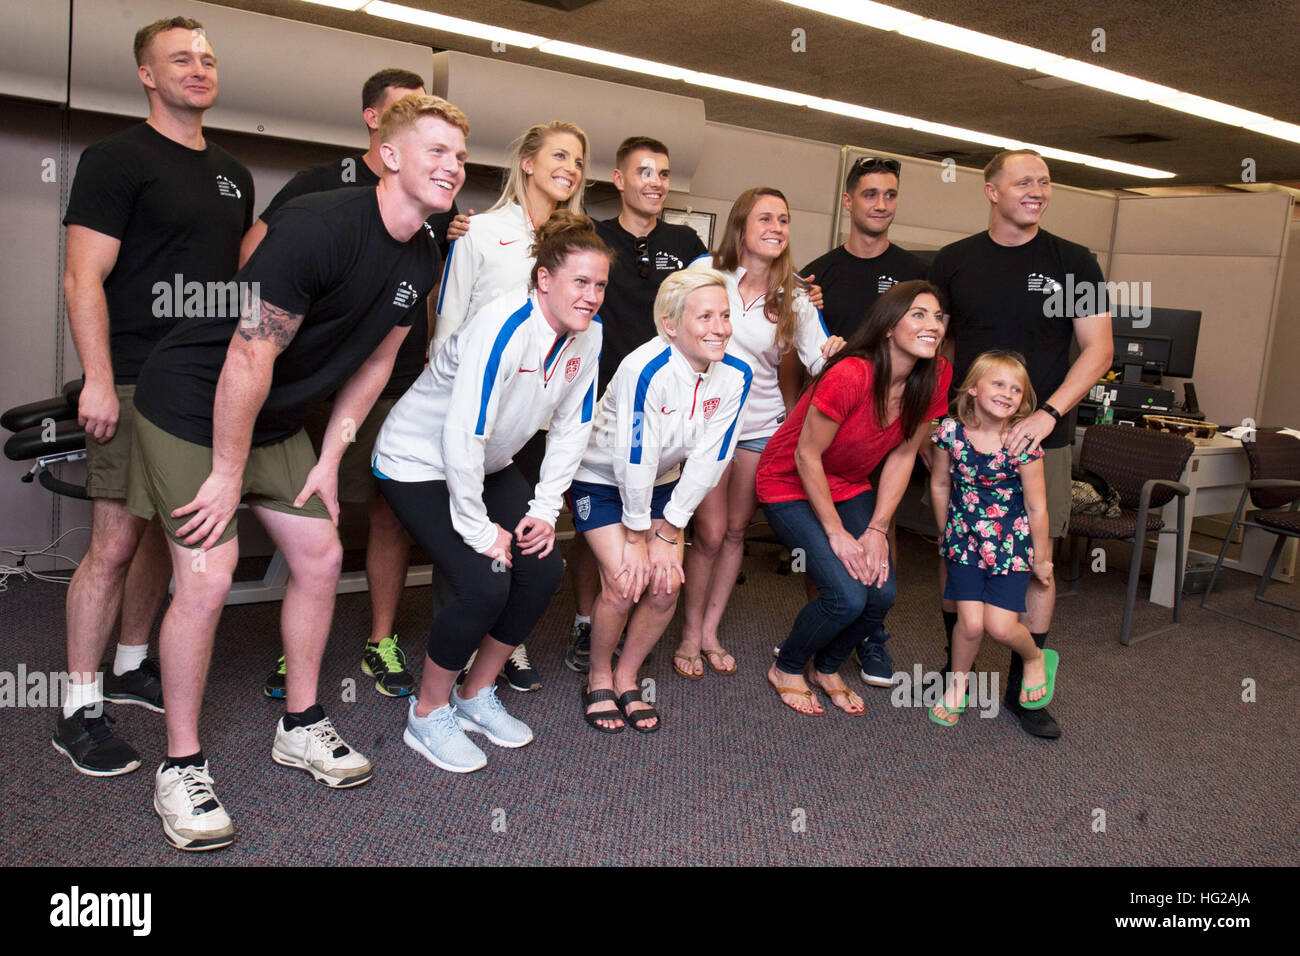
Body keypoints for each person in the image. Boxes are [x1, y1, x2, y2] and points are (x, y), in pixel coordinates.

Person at [126, 93, 467, 849]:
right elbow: (249, 353)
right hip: (191, 402)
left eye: (460, 156)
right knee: (208, 576)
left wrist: (334, 454)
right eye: (436, 151)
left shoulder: (423, 252)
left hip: (275, 416)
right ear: (389, 155)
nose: (453, 166)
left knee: (319, 554)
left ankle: (302, 723)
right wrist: (226, 473)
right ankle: (179, 764)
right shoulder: (320, 227)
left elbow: (378, 365)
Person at [53, 16, 253, 776]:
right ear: (146, 73)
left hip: (203, 383)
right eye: (180, 59)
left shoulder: (233, 171)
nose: (199, 69)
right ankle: (77, 710)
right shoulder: (115, 159)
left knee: (167, 539)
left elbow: (238, 285)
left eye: (207, 58)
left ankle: (134, 664)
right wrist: (99, 378)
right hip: (133, 375)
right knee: (111, 544)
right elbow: (83, 277)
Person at [241, 68, 461, 700]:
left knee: (386, 511)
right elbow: (258, 262)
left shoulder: (432, 218)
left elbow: (417, 302)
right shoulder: (320, 195)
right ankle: (297, 651)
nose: (448, 163)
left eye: (455, 153)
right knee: (314, 515)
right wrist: (263, 342)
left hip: (388, 376)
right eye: (422, 126)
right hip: (303, 379)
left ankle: (379, 639)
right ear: (381, 128)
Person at [372, 212, 606, 772]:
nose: (592, 296)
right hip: (419, 460)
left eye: (600, 285)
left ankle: (474, 693)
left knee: (543, 566)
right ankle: (426, 714)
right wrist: (479, 530)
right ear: (544, 279)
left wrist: (547, 511)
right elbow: (463, 431)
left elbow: (575, 426)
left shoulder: (588, 336)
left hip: (487, 462)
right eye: (580, 282)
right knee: (483, 581)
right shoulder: (502, 324)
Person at [929, 148, 1112, 739]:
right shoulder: (955, 262)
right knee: (957, 551)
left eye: (1045, 181)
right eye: (1024, 181)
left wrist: (1049, 413)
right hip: (971, 438)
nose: (1038, 190)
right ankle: (954, 669)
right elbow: (940, 345)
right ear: (991, 191)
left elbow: (1099, 350)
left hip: (1043, 441)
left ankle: (1025, 687)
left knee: (1039, 565)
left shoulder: (1075, 262)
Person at [432, 119, 590, 692]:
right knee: (468, 531)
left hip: (536, 416)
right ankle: (452, 651)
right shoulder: (479, 230)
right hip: (473, 411)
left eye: (577, 161)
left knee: (521, 530)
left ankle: (505, 642)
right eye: (558, 156)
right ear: (526, 161)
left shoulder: (578, 244)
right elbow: (448, 319)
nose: (570, 168)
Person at [756, 280, 950, 714]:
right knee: (846, 593)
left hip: (849, 482)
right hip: (789, 480)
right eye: (918, 314)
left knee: (880, 592)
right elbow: (807, 455)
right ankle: (787, 666)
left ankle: (825, 667)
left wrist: (878, 528)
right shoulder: (851, 374)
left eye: (937, 317)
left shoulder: (935, 375)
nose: (932, 325)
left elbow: (903, 455)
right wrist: (839, 534)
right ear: (887, 327)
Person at [571, 269, 750, 732]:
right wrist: (636, 533)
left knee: (667, 582)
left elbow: (712, 457)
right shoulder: (643, 369)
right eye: (705, 316)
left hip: (665, 486)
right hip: (603, 480)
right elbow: (635, 457)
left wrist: (668, 529)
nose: (720, 328)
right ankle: (599, 676)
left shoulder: (736, 374)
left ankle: (629, 675)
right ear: (671, 325)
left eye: (725, 316)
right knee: (626, 580)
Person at [678, 187, 843, 679]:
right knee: (706, 533)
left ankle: (710, 631)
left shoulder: (796, 298)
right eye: (765, 217)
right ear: (742, 226)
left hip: (760, 429)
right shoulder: (708, 273)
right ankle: (688, 633)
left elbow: (821, 362)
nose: (776, 226)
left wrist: (835, 352)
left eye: (784, 219)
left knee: (732, 534)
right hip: (708, 425)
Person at [563, 135, 707, 674]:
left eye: (664, 173)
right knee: (596, 522)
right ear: (619, 180)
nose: (655, 181)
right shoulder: (592, 235)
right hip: (597, 401)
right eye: (643, 171)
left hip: (664, 406)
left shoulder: (686, 241)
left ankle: (624, 629)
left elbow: (720, 293)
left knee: (646, 513)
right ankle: (586, 621)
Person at [799, 155, 928, 687]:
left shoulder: (916, 274)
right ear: (848, 201)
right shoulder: (818, 273)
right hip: (831, 425)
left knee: (881, 524)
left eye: (890, 194)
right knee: (824, 535)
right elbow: (798, 349)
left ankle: (872, 634)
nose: (880, 204)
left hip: (891, 423)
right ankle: (831, 618)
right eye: (870, 194)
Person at [928, 351, 1057, 726]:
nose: (1008, 393)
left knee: (1000, 627)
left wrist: (1042, 557)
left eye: (1016, 389)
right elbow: (939, 484)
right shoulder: (950, 433)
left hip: (1010, 547)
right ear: (972, 388)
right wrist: (945, 534)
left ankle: (1034, 657)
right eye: (998, 384)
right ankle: (957, 685)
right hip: (964, 544)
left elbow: (1037, 508)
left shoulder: (1023, 443)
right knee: (968, 624)